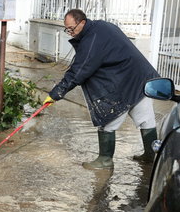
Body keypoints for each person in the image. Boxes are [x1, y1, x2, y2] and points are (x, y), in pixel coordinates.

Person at [43, 9, 160, 170]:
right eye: (67, 29)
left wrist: (57, 92)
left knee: (109, 119)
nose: (70, 33)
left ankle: (105, 160)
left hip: (126, 80)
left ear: (82, 22)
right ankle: (150, 156)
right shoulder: (101, 27)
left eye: (72, 29)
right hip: (140, 77)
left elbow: (79, 70)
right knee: (146, 119)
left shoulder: (92, 39)